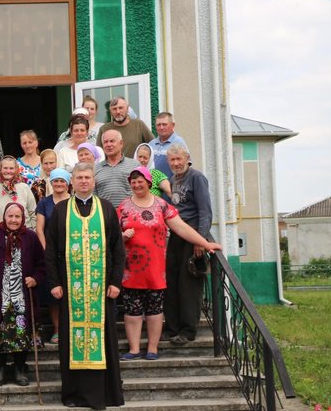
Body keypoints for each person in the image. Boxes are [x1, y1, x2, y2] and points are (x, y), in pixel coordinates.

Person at [117, 166, 221, 361]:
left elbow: (181, 227)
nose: (137, 184)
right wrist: (122, 237)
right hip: (131, 270)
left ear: (149, 183)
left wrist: (204, 243)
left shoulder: (162, 206)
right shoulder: (123, 207)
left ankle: (153, 349)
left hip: (155, 269)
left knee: (155, 310)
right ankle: (133, 349)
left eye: (141, 181)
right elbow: (112, 237)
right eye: (133, 181)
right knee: (132, 311)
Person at [44, 162, 125, 410]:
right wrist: (55, 283)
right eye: (78, 177)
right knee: (72, 340)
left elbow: (117, 249)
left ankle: (105, 394)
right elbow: (51, 250)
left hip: (102, 291)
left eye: (87, 177)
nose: (83, 181)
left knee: (103, 339)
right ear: (72, 181)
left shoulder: (107, 209)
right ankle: (74, 394)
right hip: (71, 290)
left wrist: (115, 282)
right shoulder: (60, 211)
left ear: (94, 180)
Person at [0, 202, 46, 387]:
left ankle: (19, 369)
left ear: (22, 218)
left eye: (17, 217)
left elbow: (41, 263)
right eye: (10, 216)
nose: (14, 220)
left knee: (21, 335)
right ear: (4, 217)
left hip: (21, 297)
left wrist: (35, 279)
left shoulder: (30, 237)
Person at [163, 144, 213, 345]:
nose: (176, 163)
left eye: (179, 159)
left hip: (192, 235)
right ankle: (172, 327)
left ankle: (188, 330)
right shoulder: (174, 180)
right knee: (172, 283)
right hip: (175, 235)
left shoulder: (197, 177)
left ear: (187, 158)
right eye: (172, 160)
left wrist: (200, 240)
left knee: (188, 285)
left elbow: (205, 211)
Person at [34, 168, 71, 345]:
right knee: (54, 295)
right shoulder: (44, 203)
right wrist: (46, 251)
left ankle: (72, 328)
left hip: (72, 253)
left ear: (68, 183)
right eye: (55, 181)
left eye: (62, 181)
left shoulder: (74, 201)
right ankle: (57, 330)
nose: (58, 184)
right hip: (51, 254)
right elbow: (40, 229)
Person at [94, 129, 139, 208]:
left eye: (112, 141)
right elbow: (94, 195)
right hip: (105, 214)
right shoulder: (95, 169)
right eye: (105, 142)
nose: (108, 144)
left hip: (130, 213)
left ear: (121, 143)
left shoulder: (134, 165)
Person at [0, 156, 37, 230]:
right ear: (0, 169)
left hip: (24, 230)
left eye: (11, 168)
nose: (8, 171)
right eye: (5, 168)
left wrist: (33, 231)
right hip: (1, 231)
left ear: (16, 170)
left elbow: (33, 212)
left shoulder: (24, 187)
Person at [148, 111, 189, 178]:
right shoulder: (151, 144)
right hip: (153, 186)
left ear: (172, 125)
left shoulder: (179, 142)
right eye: (158, 125)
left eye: (164, 124)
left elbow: (187, 166)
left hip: (172, 186)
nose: (161, 127)